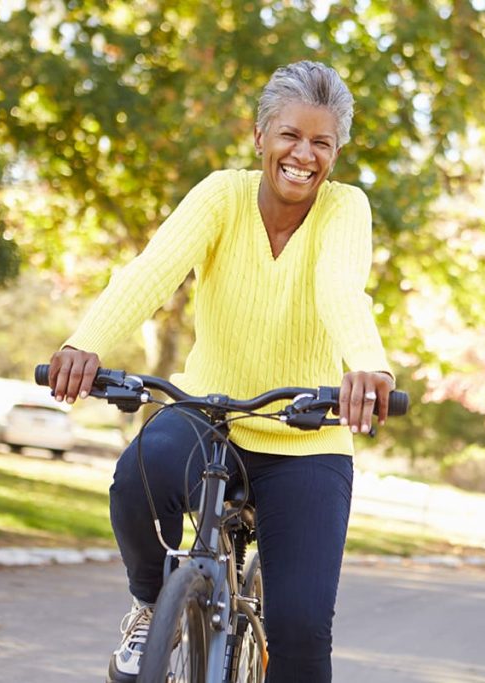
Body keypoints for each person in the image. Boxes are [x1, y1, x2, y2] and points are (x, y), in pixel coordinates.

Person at [47, 61, 395, 683]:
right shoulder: (221, 194)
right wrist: (87, 343)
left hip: (307, 438)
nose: (303, 155)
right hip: (210, 419)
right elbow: (153, 271)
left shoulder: (345, 208)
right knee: (137, 475)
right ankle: (152, 606)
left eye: (322, 143)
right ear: (260, 136)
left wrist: (369, 366)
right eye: (290, 135)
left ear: (336, 152)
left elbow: (342, 291)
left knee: (303, 635)